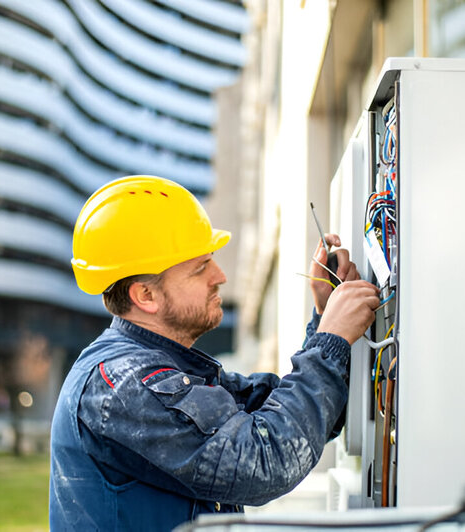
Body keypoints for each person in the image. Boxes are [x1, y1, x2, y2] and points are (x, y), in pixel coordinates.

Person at [49, 175, 380, 531]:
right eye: (200, 268)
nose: (220, 275)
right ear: (145, 296)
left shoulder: (165, 367)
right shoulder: (124, 384)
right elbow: (268, 460)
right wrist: (329, 340)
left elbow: (296, 417)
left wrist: (325, 318)